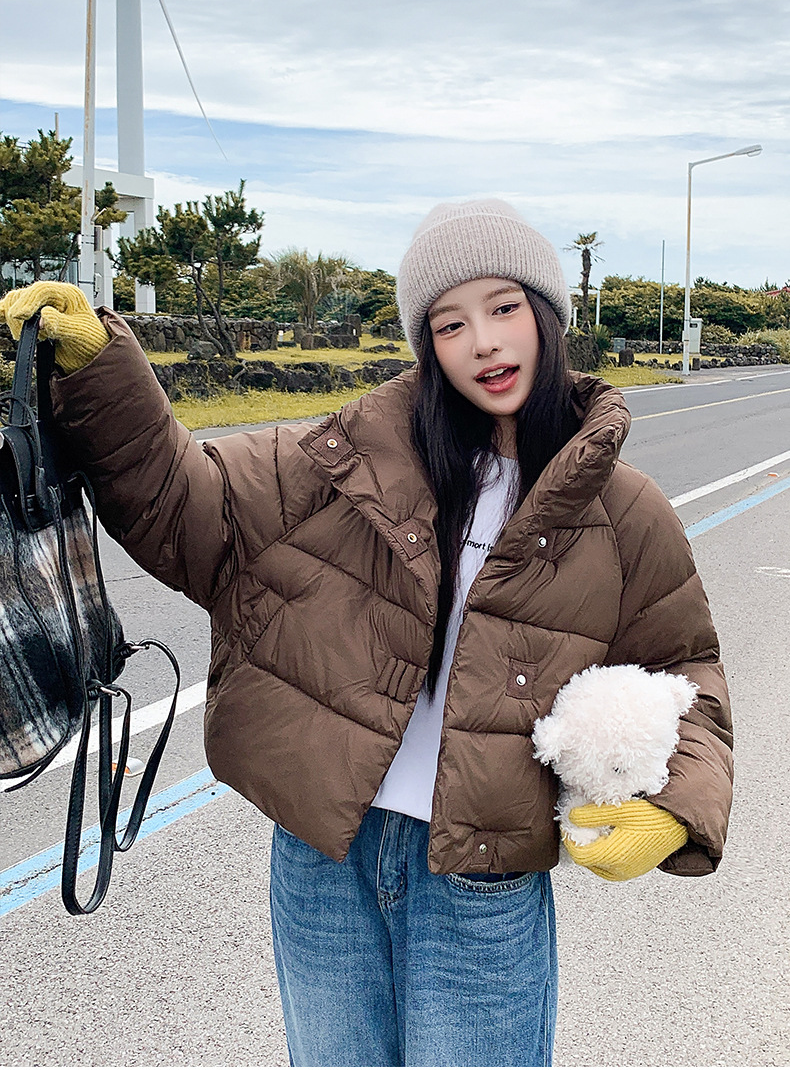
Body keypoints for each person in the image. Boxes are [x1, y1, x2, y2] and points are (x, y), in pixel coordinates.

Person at [0, 199, 733, 1067]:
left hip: (483, 885)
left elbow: (686, 667)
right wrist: (99, 370)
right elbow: (188, 502)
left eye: (504, 308)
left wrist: (674, 806)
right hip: (325, 865)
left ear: (546, 314)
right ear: (428, 344)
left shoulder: (626, 511)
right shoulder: (344, 460)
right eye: (450, 323)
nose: (484, 342)